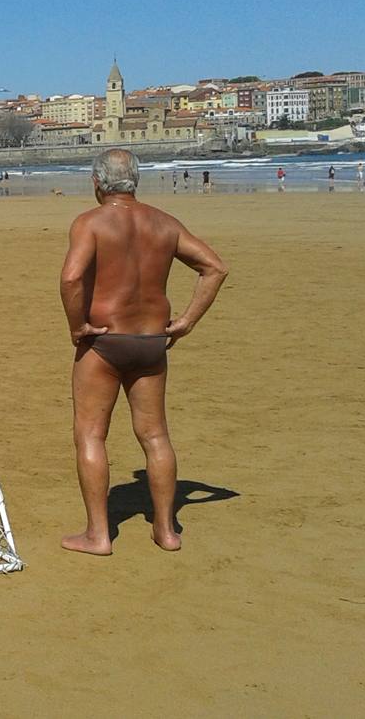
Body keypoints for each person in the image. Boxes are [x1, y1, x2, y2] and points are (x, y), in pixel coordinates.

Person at [59, 149, 228, 555]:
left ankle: (99, 535)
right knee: (155, 436)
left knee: (91, 434)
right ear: (135, 182)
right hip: (151, 342)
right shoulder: (164, 224)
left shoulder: (91, 222)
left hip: (104, 340)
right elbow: (214, 268)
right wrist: (187, 320)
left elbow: (71, 276)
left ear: (97, 183)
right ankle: (166, 531)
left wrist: (77, 325)